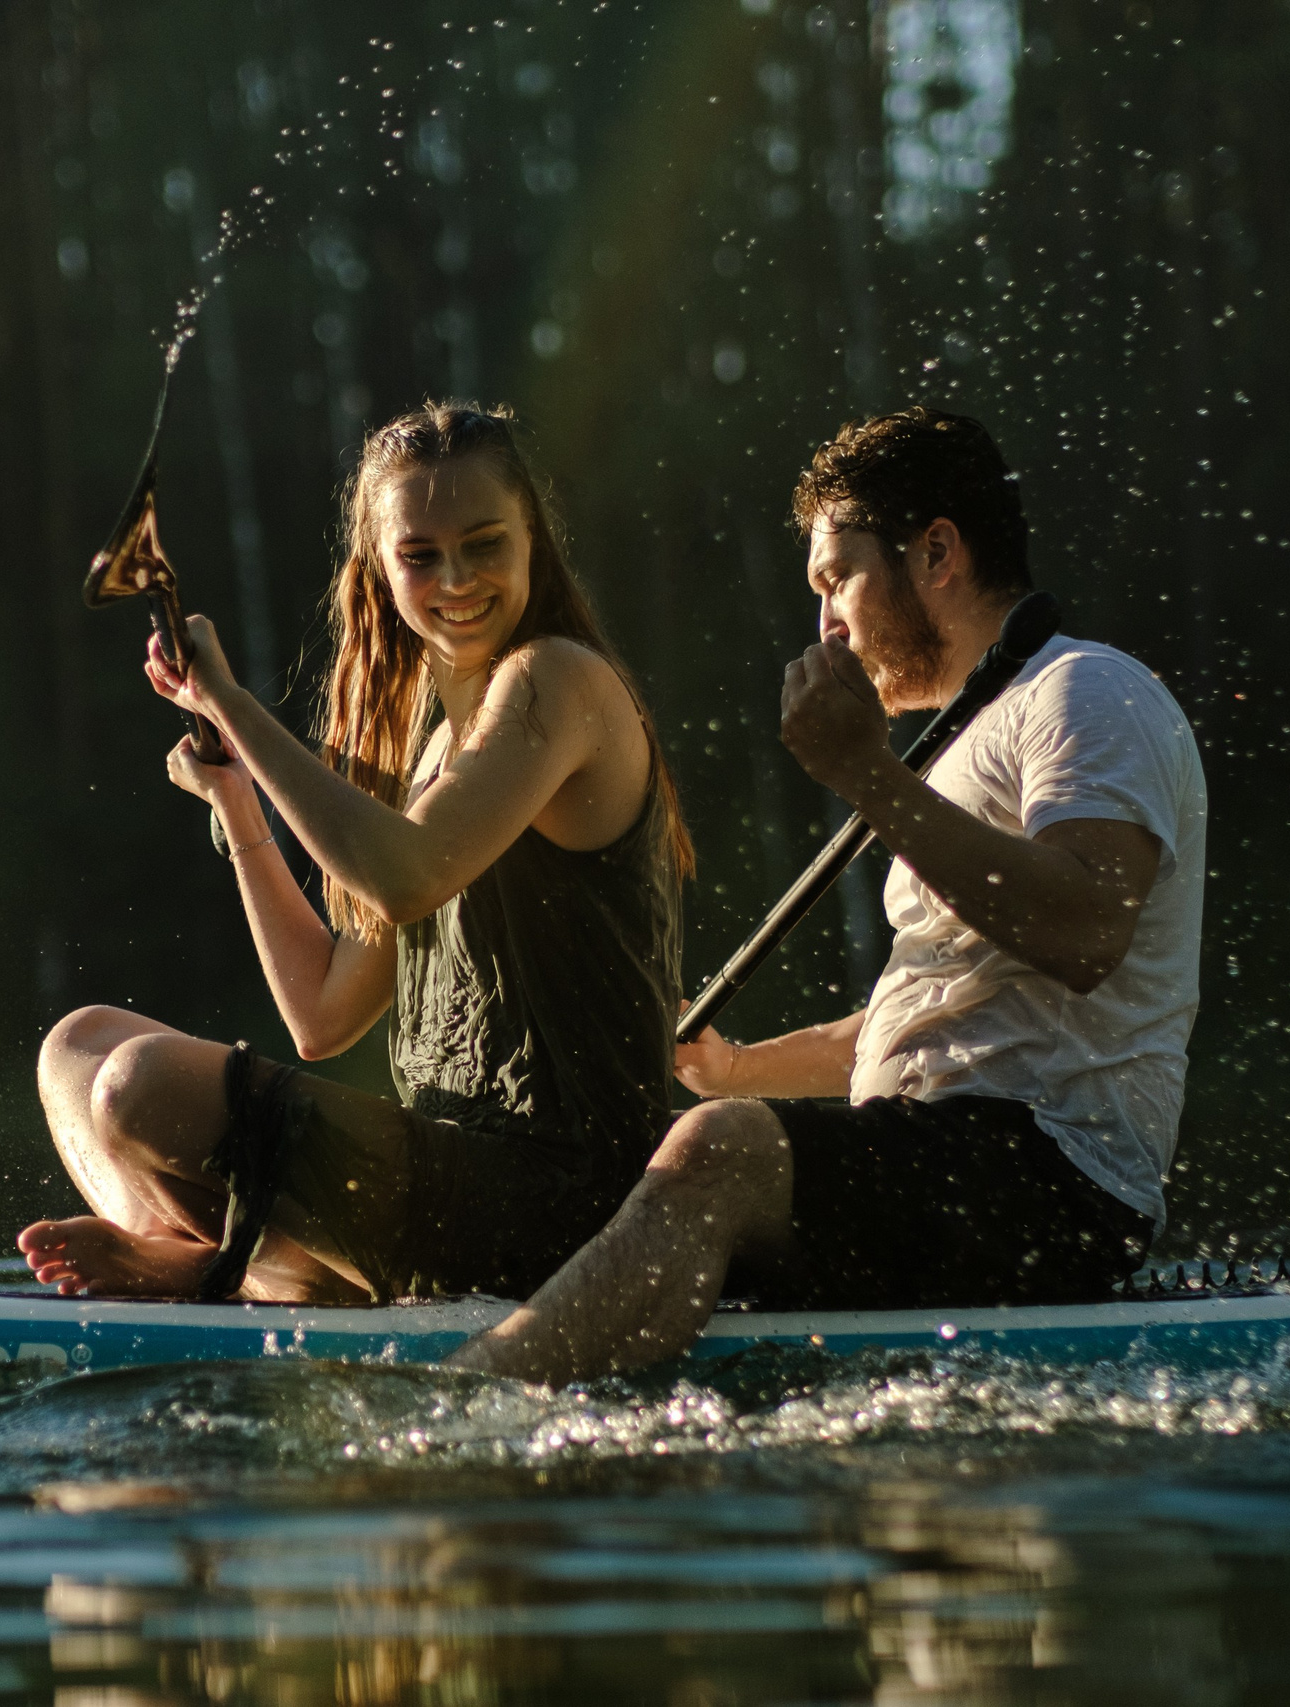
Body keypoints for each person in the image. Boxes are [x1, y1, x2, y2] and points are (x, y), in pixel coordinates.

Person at [446, 407, 1206, 1381]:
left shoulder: (1087, 690)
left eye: (835, 579)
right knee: (681, 1156)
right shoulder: (957, 749)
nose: (823, 625)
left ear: (936, 553)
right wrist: (739, 1069)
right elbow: (942, 1016)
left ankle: (461, 1407)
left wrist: (867, 775)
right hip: (945, 1168)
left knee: (716, 1154)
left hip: (1055, 1187)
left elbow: (1087, 930)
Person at [19, 403, 692, 1303]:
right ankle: (239, 1267)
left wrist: (231, 704)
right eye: (419, 555)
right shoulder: (427, 746)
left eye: (484, 543)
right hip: (448, 1182)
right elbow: (323, 1014)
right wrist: (237, 800)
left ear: (533, 535)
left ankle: (235, 1272)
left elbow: (406, 876)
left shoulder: (556, 681)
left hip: (568, 1208)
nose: (456, 578)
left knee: (140, 1086)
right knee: (78, 1048)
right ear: (380, 565)